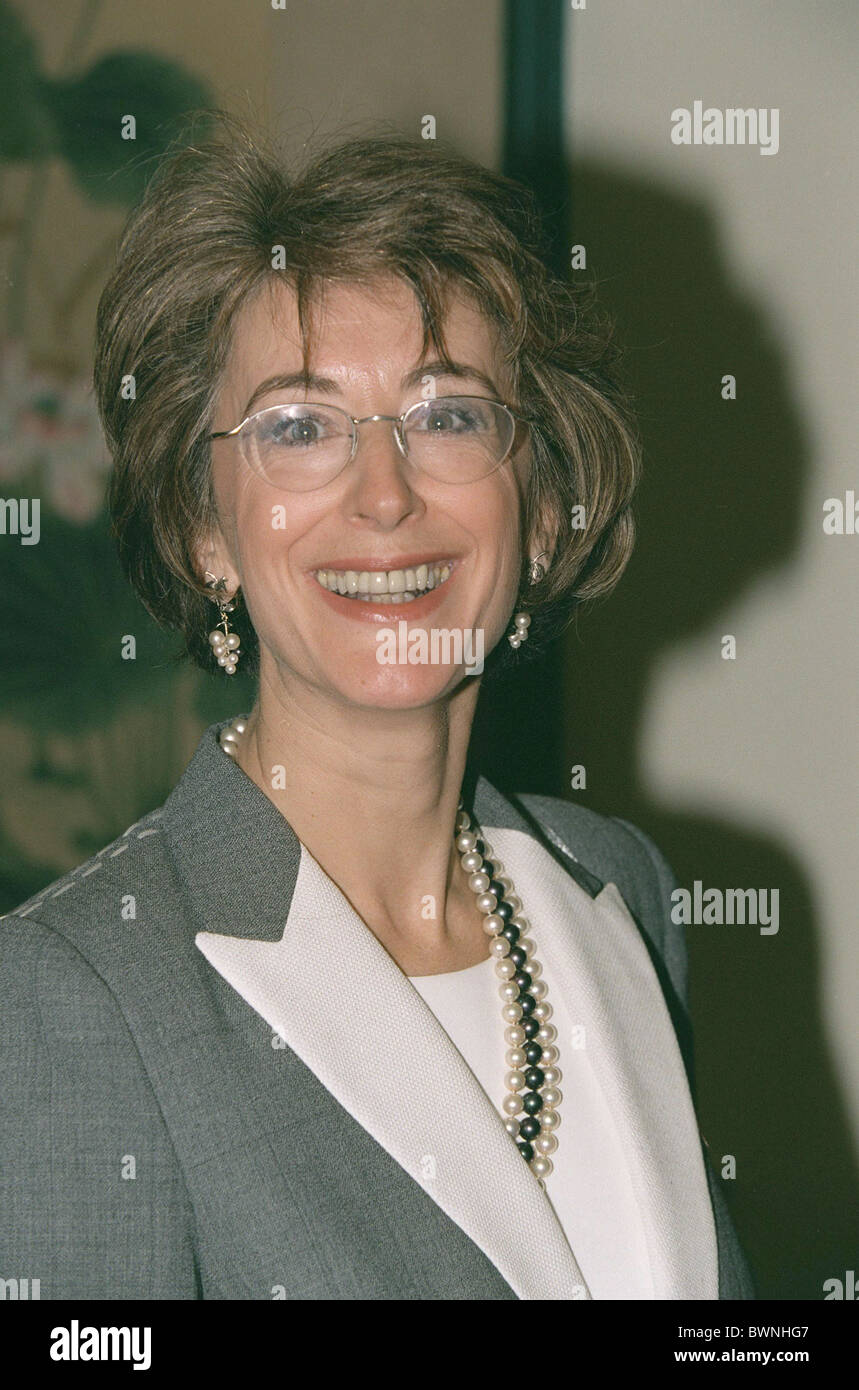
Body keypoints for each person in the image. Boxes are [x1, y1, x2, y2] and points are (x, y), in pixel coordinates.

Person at [0, 116, 753, 1300]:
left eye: (447, 413)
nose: (386, 496)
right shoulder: (79, 989)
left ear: (541, 504)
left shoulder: (617, 885)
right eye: (298, 429)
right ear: (208, 530)